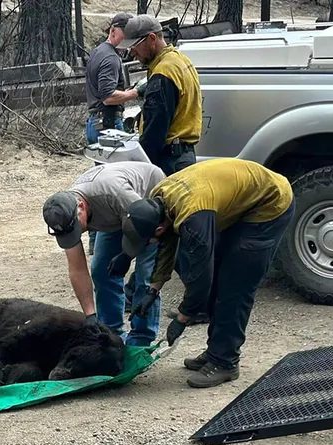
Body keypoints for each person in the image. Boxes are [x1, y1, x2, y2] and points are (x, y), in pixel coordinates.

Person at [114, 158, 295, 388]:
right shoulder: (159, 197)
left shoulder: (193, 219)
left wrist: (183, 317)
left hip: (269, 204)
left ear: (157, 228)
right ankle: (215, 351)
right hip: (238, 202)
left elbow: (202, 277)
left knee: (234, 286)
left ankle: (225, 362)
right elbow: (166, 243)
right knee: (223, 277)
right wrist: (154, 289)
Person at [42, 161, 166, 347]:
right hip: (114, 214)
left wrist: (126, 255)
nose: (77, 233)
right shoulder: (64, 214)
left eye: (77, 228)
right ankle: (111, 334)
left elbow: (149, 227)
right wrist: (90, 316)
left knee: (145, 275)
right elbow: (77, 269)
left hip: (145, 206)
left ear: (81, 206)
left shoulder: (114, 193)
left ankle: (141, 340)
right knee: (101, 270)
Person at [83, 12, 141, 256]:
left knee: (100, 182)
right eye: (127, 36)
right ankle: (105, 244)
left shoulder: (99, 51)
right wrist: (135, 93)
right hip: (106, 122)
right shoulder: (110, 58)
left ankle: (96, 242)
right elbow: (108, 96)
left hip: (95, 122)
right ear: (115, 31)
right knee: (112, 185)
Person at [116, 14, 202, 176]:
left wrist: (140, 167)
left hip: (168, 161)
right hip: (183, 156)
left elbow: (156, 129)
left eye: (134, 46)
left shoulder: (163, 73)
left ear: (152, 38)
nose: (132, 53)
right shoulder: (180, 60)